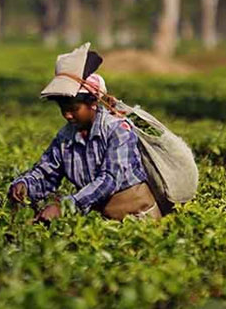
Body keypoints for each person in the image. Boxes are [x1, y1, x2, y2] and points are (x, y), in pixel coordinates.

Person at [8, 43, 161, 222]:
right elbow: (47, 172)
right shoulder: (65, 138)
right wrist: (24, 184)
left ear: (93, 104)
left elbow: (109, 180)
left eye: (74, 108)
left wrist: (66, 207)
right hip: (99, 221)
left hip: (138, 220)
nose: (67, 115)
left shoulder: (118, 129)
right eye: (63, 109)